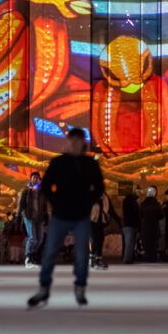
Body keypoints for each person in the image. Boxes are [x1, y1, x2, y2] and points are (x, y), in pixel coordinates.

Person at [27, 127, 105, 309]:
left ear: (82, 143)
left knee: (82, 254)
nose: (76, 145)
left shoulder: (90, 165)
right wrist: (56, 202)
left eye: (79, 142)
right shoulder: (59, 163)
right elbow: (46, 186)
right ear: (68, 143)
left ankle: (80, 287)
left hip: (81, 215)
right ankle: (44, 288)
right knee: (49, 252)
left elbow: (99, 187)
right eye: (73, 141)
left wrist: (88, 202)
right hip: (60, 215)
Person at [17, 172, 46, 269]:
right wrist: (20, 216)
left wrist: (46, 216)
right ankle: (28, 258)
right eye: (34, 178)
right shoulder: (26, 191)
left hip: (39, 217)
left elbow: (45, 205)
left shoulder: (42, 192)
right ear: (30, 179)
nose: (35, 180)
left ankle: (33, 256)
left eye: (37, 178)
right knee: (32, 237)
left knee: (40, 239)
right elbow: (21, 205)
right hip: (29, 217)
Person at [90, 191, 120, 270]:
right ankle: (93, 260)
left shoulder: (105, 197)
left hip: (100, 222)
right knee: (94, 240)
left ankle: (97, 260)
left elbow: (111, 210)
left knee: (100, 240)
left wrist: (119, 221)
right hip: (92, 221)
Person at [139, 186, 164, 263]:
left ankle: (147, 256)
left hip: (145, 227)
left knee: (147, 243)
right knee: (154, 244)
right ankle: (153, 257)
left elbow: (140, 215)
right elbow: (161, 215)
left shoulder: (143, 204)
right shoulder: (157, 204)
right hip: (154, 227)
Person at [121, 192, 140, 264]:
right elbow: (137, 215)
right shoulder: (133, 204)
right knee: (130, 243)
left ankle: (127, 258)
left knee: (127, 243)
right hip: (132, 226)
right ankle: (127, 259)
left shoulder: (125, 203)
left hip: (126, 226)